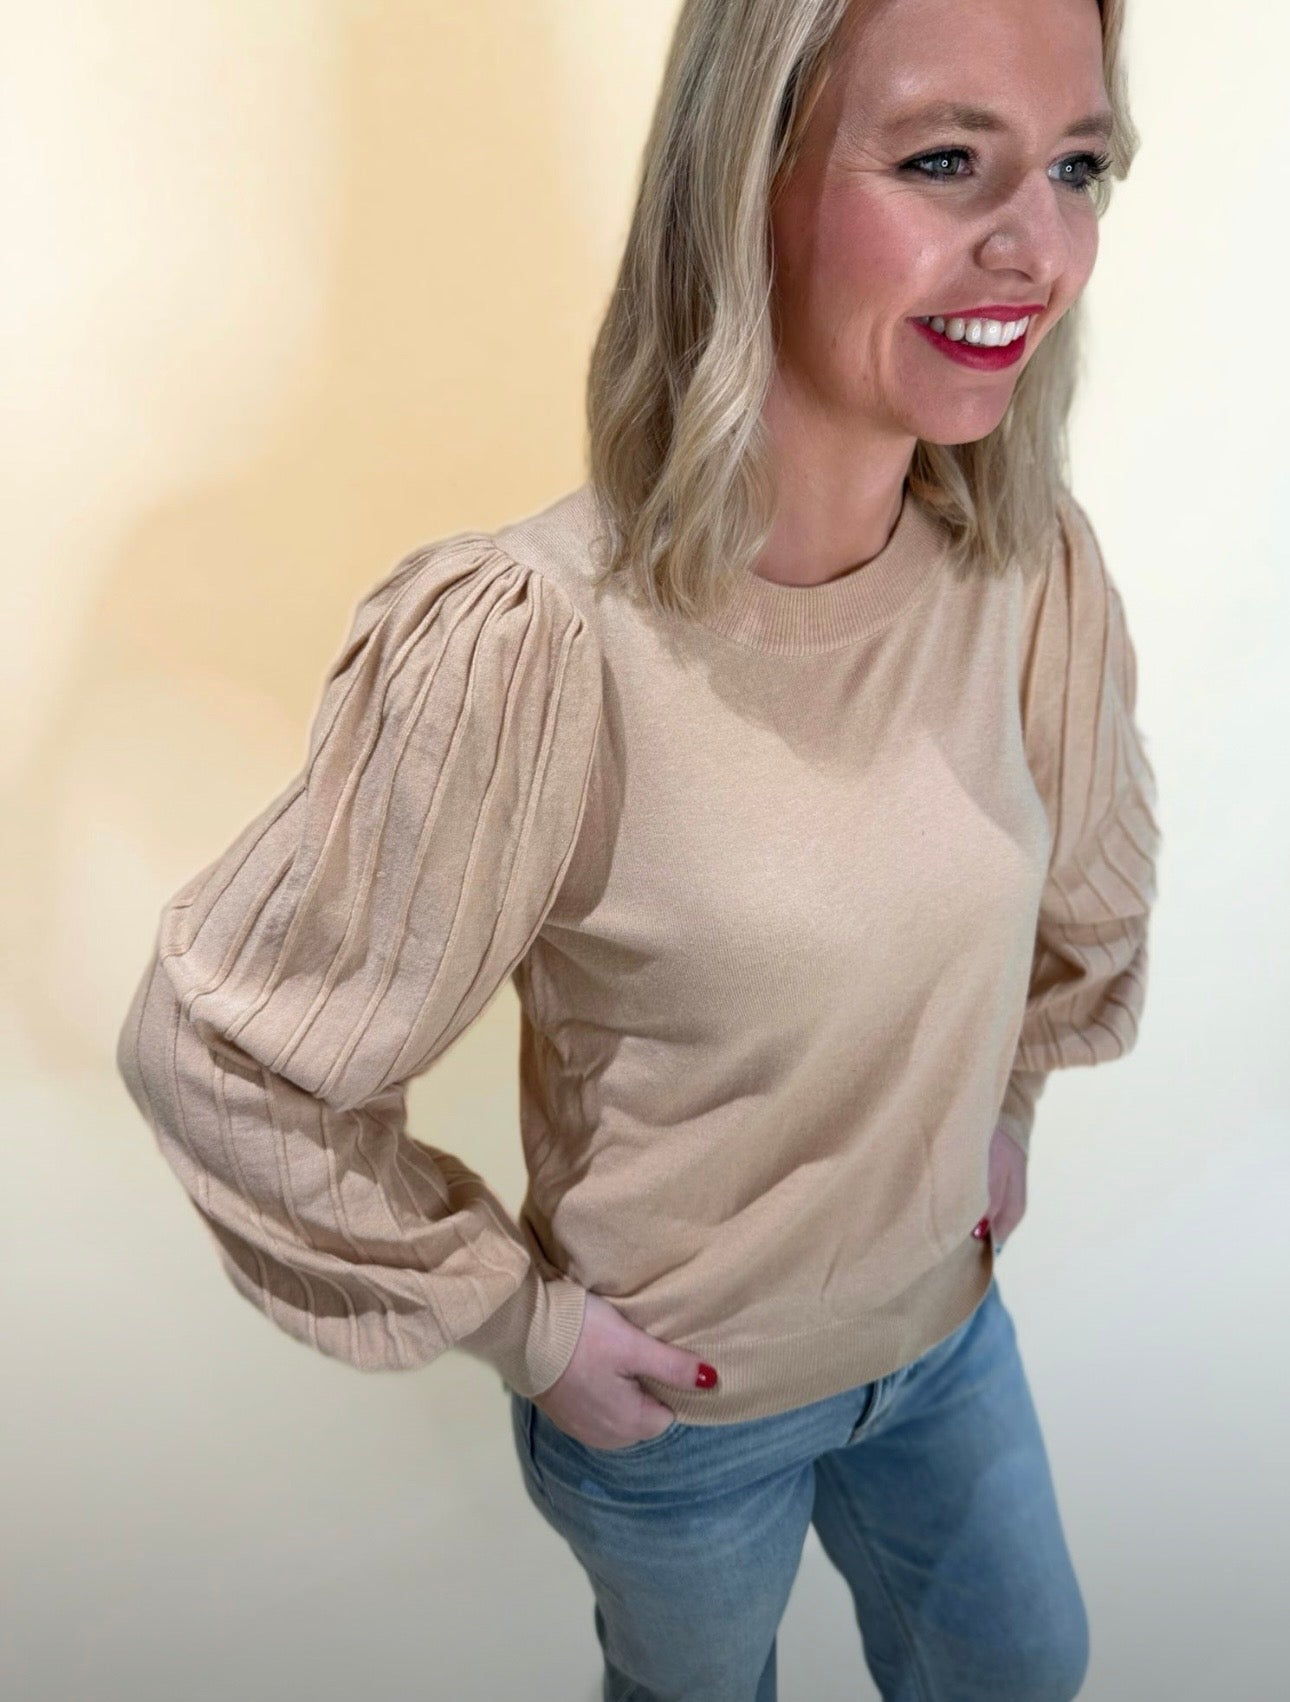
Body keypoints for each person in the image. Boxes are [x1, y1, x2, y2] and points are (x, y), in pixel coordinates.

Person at [115, 0, 1161, 1695]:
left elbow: (1081, 893)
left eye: (1078, 167)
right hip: (684, 1421)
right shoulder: (539, 641)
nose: (1035, 247)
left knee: (1023, 1666)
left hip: (950, 1343)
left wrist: (1011, 1097)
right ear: (740, 180)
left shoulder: (1028, 578)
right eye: (945, 158)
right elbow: (220, 1054)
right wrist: (523, 1326)